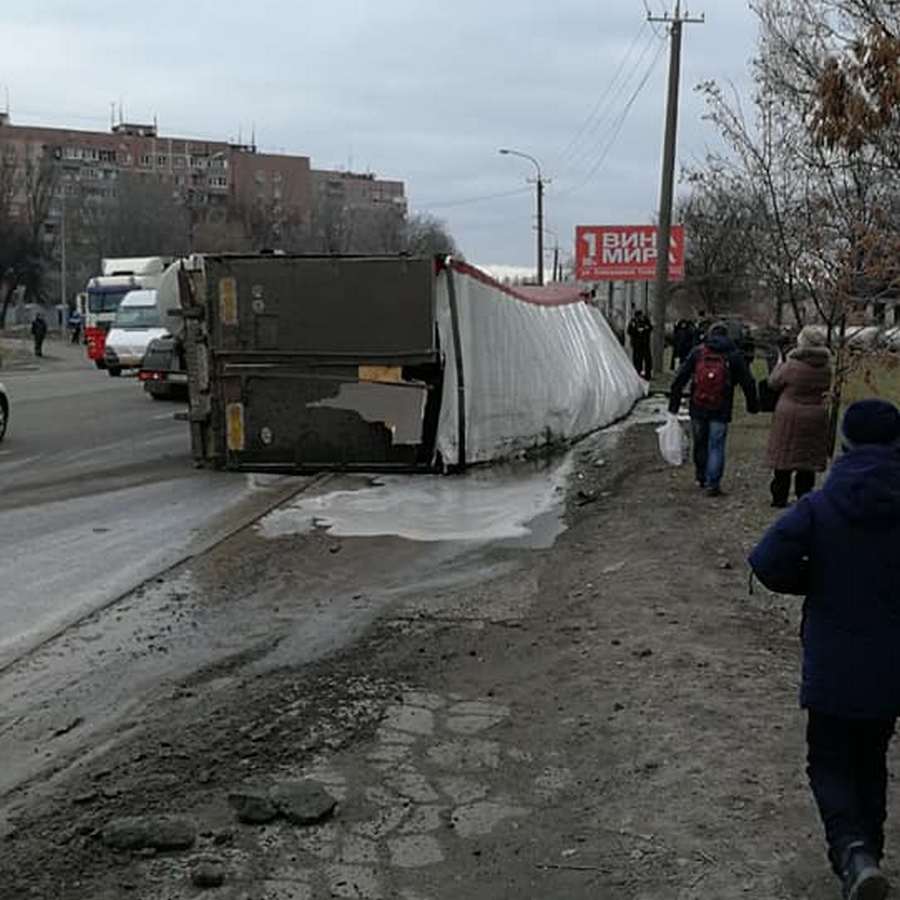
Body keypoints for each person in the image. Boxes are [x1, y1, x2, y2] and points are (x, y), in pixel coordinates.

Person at [749, 399, 900, 900]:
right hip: (890, 667)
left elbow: (766, 562)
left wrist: (815, 580)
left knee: (828, 762)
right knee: (871, 760)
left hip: (833, 664)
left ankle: (853, 851)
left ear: (846, 444)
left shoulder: (821, 506)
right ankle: (867, 857)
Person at [669, 322, 759, 496]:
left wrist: (674, 404)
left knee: (700, 443)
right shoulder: (733, 355)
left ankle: (701, 476)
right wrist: (752, 405)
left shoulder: (698, 352)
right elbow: (748, 382)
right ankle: (713, 483)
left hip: (698, 405)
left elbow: (680, 377)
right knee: (716, 445)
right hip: (721, 407)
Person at [766, 325, 832, 508]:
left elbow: (773, 382)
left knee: (784, 457)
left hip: (789, 413)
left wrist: (780, 363)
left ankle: (779, 497)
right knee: (807, 458)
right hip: (816, 414)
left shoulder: (791, 366)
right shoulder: (826, 367)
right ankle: (804, 496)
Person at [627, 310, 653, 380]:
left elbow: (650, 328)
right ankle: (638, 372)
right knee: (637, 359)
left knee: (648, 359)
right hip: (637, 344)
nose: (640, 317)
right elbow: (629, 331)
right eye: (639, 316)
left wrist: (644, 329)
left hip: (645, 344)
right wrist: (636, 330)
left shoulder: (646, 320)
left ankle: (648, 374)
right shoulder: (633, 321)